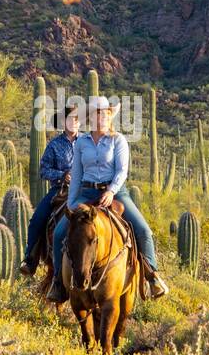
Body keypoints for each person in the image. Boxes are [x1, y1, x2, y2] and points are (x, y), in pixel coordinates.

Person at [48, 95, 168, 302]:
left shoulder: (118, 140)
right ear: (91, 117)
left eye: (105, 113)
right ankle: (59, 282)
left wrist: (111, 191)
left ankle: (152, 276)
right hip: (86, 193)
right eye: (98, 113)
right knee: (60, 233)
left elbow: (122, 171)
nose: (102, 117)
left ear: (110, 116)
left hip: (114, 192)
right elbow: (76, 175)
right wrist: (72, 204)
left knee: (143, 230)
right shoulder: (82, 142)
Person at [19, 105, 79, 276]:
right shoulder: (54, 145)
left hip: (83, 190)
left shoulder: (86, 142)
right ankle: (30, 258)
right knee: (37, 218)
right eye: (70, 119)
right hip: (60, 190)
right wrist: (62, 175)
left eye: (76, 119)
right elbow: (44, 170)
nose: (74, 122)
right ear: (63, 122)